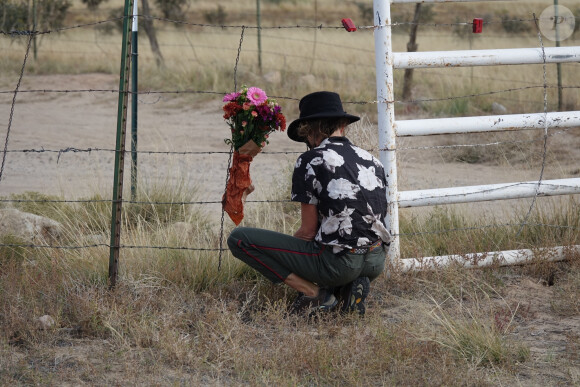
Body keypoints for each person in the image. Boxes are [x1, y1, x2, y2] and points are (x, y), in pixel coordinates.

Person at [227, 91, 391, 317]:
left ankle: (314, 293)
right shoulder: (372, 160)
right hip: (375, 261)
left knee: (239, 238)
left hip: (339, 264)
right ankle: (346, 288)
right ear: (342, 125)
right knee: (336, 248)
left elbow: (307, 231)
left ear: (310, 130)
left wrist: (286, 257)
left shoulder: (311, 159)